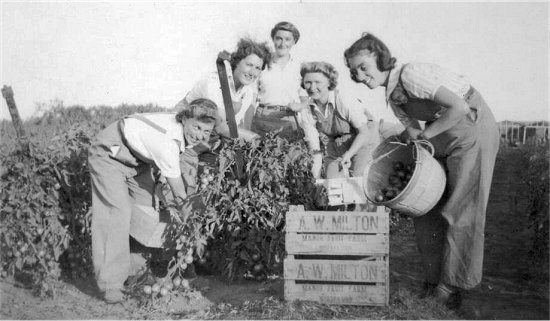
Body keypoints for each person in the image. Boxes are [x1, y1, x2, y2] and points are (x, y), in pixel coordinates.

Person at [344, 33, 499, 308]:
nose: (360, 74)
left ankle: (451, 286)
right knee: (426, 208)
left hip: (472, 128)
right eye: (354, 70)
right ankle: (432, 279)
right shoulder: (392, 97)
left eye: (363, 66)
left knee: (463, 209)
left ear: (380, 58)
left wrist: (425, 135)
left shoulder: (411, 74)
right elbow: (414, 131)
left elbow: (459, 107)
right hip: (445, 134)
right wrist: (411, 139)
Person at [87, 98, 217, 303]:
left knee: (148, 213)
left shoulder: (180, 135)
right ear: (184, 120)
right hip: (109, 153)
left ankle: (134, 272)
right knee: (116, 211)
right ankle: (110, 284)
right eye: (196, 127)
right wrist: (191, 222)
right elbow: (179, 193)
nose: (199, 135)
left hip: (136, 162)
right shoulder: (168, 143)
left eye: (206, 131)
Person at [174, 37, 272, 148]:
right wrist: (258, 140)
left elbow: (233, 128)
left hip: (202, 137)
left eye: (258, 68)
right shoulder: (214, 82)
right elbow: (221, 127)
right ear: (237, 62)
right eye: (249, 65)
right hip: (180, 134)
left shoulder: (247, 94)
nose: (252, 72)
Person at [298, 61, 380, 180]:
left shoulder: (343, 100)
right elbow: (315, 150)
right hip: (338, 141)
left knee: (358, 178)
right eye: (308, 83)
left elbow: (364, 132)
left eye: (317, 82)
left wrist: (349, 154)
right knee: (332, 181)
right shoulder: (307, 111)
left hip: (364, 137)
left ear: (329, 82)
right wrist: (315, 178)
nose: (312, 87)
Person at [252, 21, 309, 141]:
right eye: (278, 38)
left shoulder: (300, 67)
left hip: (288, 119)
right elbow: (251, 99)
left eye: (287, 39)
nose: (282, 43)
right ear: (273, 39)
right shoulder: (262, 63)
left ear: (294, 41)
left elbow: (307, 100)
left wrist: (299, 106)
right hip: (263, 118)